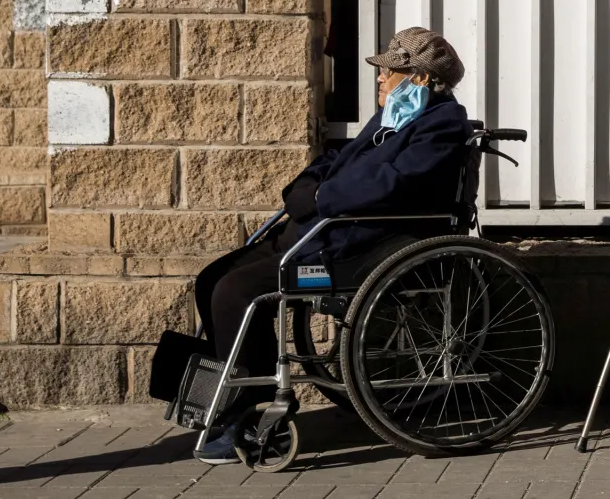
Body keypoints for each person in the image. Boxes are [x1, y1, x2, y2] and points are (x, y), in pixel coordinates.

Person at [190, 27, 472, 463]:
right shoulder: (392, 117)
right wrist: (306, 183)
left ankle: (247, 406)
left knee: (236, 292)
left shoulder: (442, 124)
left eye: (389, 71)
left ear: (418, 78)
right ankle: (226, 392)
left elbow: (391, 183)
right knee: (211, 278)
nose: (380, 79)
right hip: (317, 231)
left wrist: (323, 197)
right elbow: (340, 159)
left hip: (365, 242)